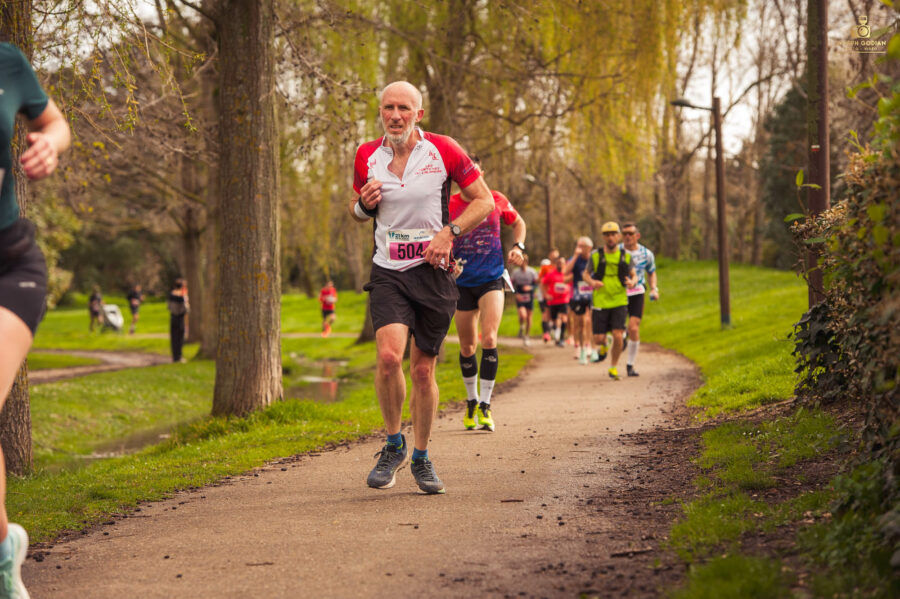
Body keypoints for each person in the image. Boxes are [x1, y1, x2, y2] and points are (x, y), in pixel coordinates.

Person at [348, 81, 494, 494]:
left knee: (423, 370)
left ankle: (422, 457)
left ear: (419, 114)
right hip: (388, 271)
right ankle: (393, 444)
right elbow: (358, 211)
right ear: (381, 112)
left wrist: (450, 233)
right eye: (388, 108)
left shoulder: (444, 149)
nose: (395, 115)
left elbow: (483, 201)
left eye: (403, 108)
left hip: (432, 272)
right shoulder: (366, 155)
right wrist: (364, 204)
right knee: (390, 358)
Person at [0, 41, 71, 599]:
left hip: (10, 263)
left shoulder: (6, 61)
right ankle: (3, 549)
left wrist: (49, 141)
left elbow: (55, 121)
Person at [450, 156, 526, 432]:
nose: (469, 177)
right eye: (464, 173)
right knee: (468, 346)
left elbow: (519, 223)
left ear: (481, 173)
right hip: (461, 282)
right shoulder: (451, 205)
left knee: (490, 338)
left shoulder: (495, 199)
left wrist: (519, 246)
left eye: (474, 172)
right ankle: (471, 403)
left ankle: (485, 405)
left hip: (492, 277)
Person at [583, 222, 636, 380]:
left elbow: (634, 274)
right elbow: (586, 274)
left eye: (613, 234)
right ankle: (605, 345)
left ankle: (613, 366)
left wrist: (633, 282)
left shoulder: (625, 256)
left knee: (618, 334)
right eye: (607, 235)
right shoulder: (596, 255)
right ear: (603, 237)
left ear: (618, 236)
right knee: (598, 339)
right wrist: (592, 283)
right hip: (600, 300)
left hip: (619, 299)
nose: (610, 237)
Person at [620, 223, 659, 377]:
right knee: (618, 328)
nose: (627, 237)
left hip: (637, 291)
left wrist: (654, 289)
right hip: (619, 293)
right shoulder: (617, 252)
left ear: (637, 235)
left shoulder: (646, 254)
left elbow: (651, 272)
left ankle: (630, 365)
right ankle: (622, 337)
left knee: (634, 327)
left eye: (630, 233)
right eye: (624, 234)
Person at [565, 236, 594, 364]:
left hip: (593, 294)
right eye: (578, 245)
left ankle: (590, 347)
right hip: (578, 295)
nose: (579, 248)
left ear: (589, 248)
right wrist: (575, 256)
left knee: (590, 321)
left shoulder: (594, 258)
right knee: (579, 323)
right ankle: (579, 348)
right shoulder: (575, 259)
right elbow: (566, 272)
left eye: (582, 246)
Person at [541, 255, 571, 347]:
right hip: (553, 301)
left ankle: (561, 338)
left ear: (564, 264)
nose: (560, 265)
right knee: (555, 320)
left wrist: (568, 288)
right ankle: (557, 334)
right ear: (556, 264)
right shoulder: (550, 274)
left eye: (562, 263)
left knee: (563, 317)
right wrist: (546, 295)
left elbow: (572, 285)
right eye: (558, 263)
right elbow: (543, 284)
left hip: (564, 300)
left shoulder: (567, 274)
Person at [510, 257, 539, 347]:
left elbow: (537, 283)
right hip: (520, 295)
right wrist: (515, 294)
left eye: (523, 262)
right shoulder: (515, 272)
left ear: (526, 262)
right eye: (521, 262)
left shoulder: (532, 272)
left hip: (529, 295)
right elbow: (511, 284)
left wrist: (532, 289)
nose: (522, 264)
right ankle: (521, 326)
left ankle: (526, 336)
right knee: (523, 315)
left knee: (529, 317)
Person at [537, 248, 559, 342]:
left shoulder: (561, 266)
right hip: (547, 295)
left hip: (558, 296)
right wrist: (544, 293)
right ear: (549, 255)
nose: (554, 256)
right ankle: (546, 333)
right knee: (546, 314)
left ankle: (557, 333)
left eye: (555, 254)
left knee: (557, 315)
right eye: (552, 254)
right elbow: (540, 280)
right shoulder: (545, 268)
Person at [167, 278, 189, 363]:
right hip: (180, 318)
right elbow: (186, 308)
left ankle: (174, 356)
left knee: (174, 337)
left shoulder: (171, 294)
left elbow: (168, 306)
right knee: (180, 337)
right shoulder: (182, 296)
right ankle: (179, 356)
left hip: (173, 317)